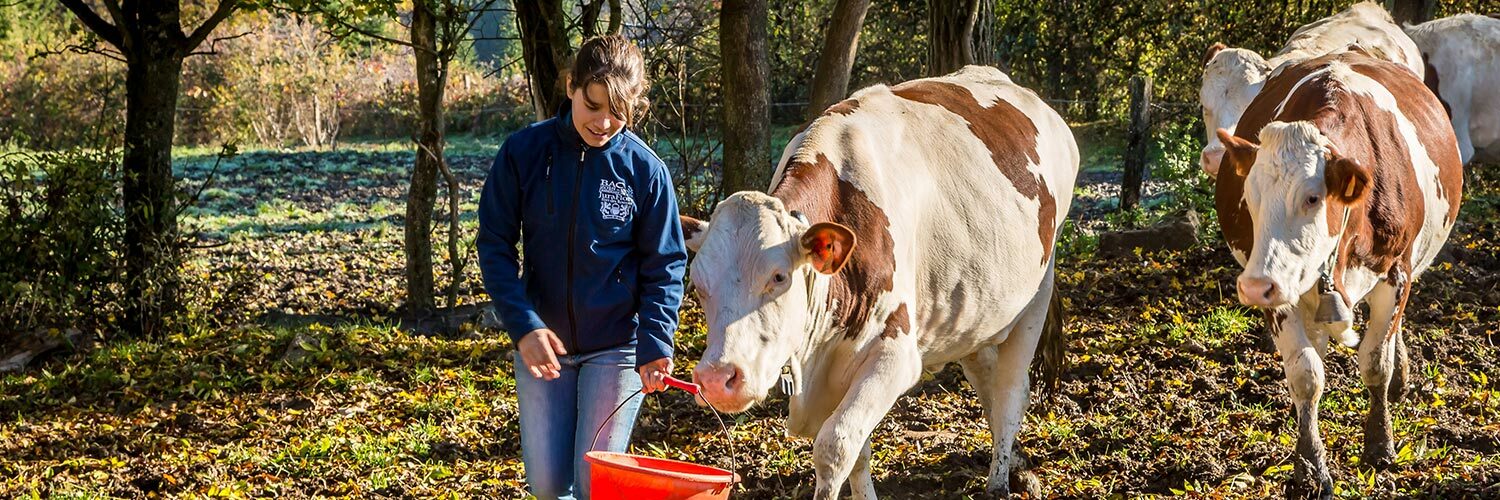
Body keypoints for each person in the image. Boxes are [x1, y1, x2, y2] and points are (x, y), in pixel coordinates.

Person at [476, 35, 686, 500]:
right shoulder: (522, 153)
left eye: (618, 112)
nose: (604, 122)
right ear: (571, 86)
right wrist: (523, 326)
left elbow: (666, 264)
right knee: (549, 486)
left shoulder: (645, 171)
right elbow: (493, 244)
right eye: (593, 105)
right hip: (542, 346)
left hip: (616, 347)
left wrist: (655, 341)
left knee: (595, 486)